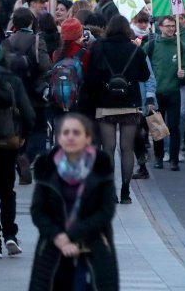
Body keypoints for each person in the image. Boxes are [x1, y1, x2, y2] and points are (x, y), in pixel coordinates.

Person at [29, 113, 118, 290]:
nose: (70, 137)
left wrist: (71, 236)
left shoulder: (100, 168)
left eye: (76, 133)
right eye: (66, 132)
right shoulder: (47, 168)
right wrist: (58, 237)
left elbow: (106, 211)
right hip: (53, 249)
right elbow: (38, 211)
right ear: (58, 138)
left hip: (93, 248)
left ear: (87, 138)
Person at [85, 15, 150, 205]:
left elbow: (91, 76)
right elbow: (145, 76)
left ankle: (110, 191)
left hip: (105, 103)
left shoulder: (99, 47)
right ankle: (125, 192)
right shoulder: (135, 50)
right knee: (127, 149)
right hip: (130, 103)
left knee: (108, 148)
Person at [0, 38, 33, 257]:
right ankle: (10, 234)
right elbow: (28, 114)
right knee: (7, 190)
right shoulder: (11, 80)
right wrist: (23, 136)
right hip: (8, 142)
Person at [3, 7, 51, 168]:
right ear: (31, 22)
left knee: (20, 127)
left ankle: (21, 160)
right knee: (39, 127)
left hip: (15, 91)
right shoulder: (37, 40)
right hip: (36, 91)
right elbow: (44, 64)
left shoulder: (8, 41)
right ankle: (28, 158)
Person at [144, 16, 185, 172]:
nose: (171, 29)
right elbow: (140, 61)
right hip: (156, 93)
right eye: (168, 26)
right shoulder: (152, 45)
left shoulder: (181, 46)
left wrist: (184, 74)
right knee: (157, 127)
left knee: (174, 127)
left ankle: (174, 159)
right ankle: (158, 157)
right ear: (160, 27)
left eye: (173, 26)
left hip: (173, 91)